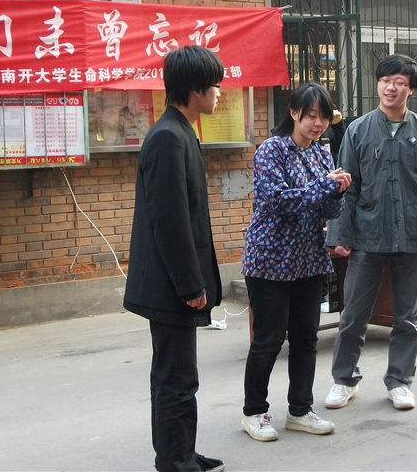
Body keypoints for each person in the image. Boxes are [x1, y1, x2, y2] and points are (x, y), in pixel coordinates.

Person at [324, 54, 417, 411]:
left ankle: (400, 381)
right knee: (354, 313)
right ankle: (344, 380)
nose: (390, 87)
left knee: (407, 317)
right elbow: (347, 187)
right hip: (367, 235)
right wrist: (340, 235)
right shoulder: (358, 130)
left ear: (411, 89)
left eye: (399, 82)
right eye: (385, 80)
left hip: (413, 236)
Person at [123, 46, 225, 472]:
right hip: (170, 286)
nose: (219, 93)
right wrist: (190, 285)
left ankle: (182, 451)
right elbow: (169, 221)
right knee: (175, 379)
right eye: (215, 85)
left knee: (181, 377)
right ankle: (174, 461)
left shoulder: (180, 131)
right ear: (195, 89)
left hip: (175, 282)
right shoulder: (167, 137)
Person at [240, 82, 352, 442]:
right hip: (270, 260)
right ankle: (254, 412)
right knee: (269, 339)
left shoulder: (321, 153)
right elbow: (278, 201)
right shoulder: (271, 150)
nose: (318, 124)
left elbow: (328, 210)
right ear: (293, 113)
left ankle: (300, 410)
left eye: (324, 117)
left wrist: (338, 192)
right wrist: (324, 186)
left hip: (308, 259)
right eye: (311, 116)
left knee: (306, 339)